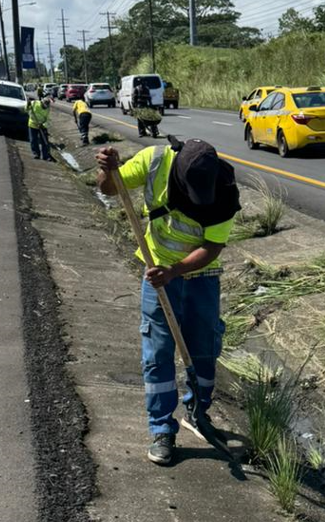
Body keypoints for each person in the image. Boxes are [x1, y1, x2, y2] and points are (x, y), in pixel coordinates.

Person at [95, 136, 241, 465]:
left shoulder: (225, 189)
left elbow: (212, 248)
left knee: (205, 350)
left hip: (200, 278)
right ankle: (162, 428)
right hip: (157, 277)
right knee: (158, 353)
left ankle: (198, 410)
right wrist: (107, 170)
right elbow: (109, 189)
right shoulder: (155, 161)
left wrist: (175, 271)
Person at [28, 97, 54, 161]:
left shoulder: (48, 109)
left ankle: (46, 155)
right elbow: (27, 111)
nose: (46, 107)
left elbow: (48, 119)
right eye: (45, 106)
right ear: (42, 103)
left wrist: (43, 125)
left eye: (47, 106)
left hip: (42, 126)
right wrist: (27, 105)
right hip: (33, 124)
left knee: (45, 141)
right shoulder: (34, 103)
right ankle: (36, 153)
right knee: (33, 140)